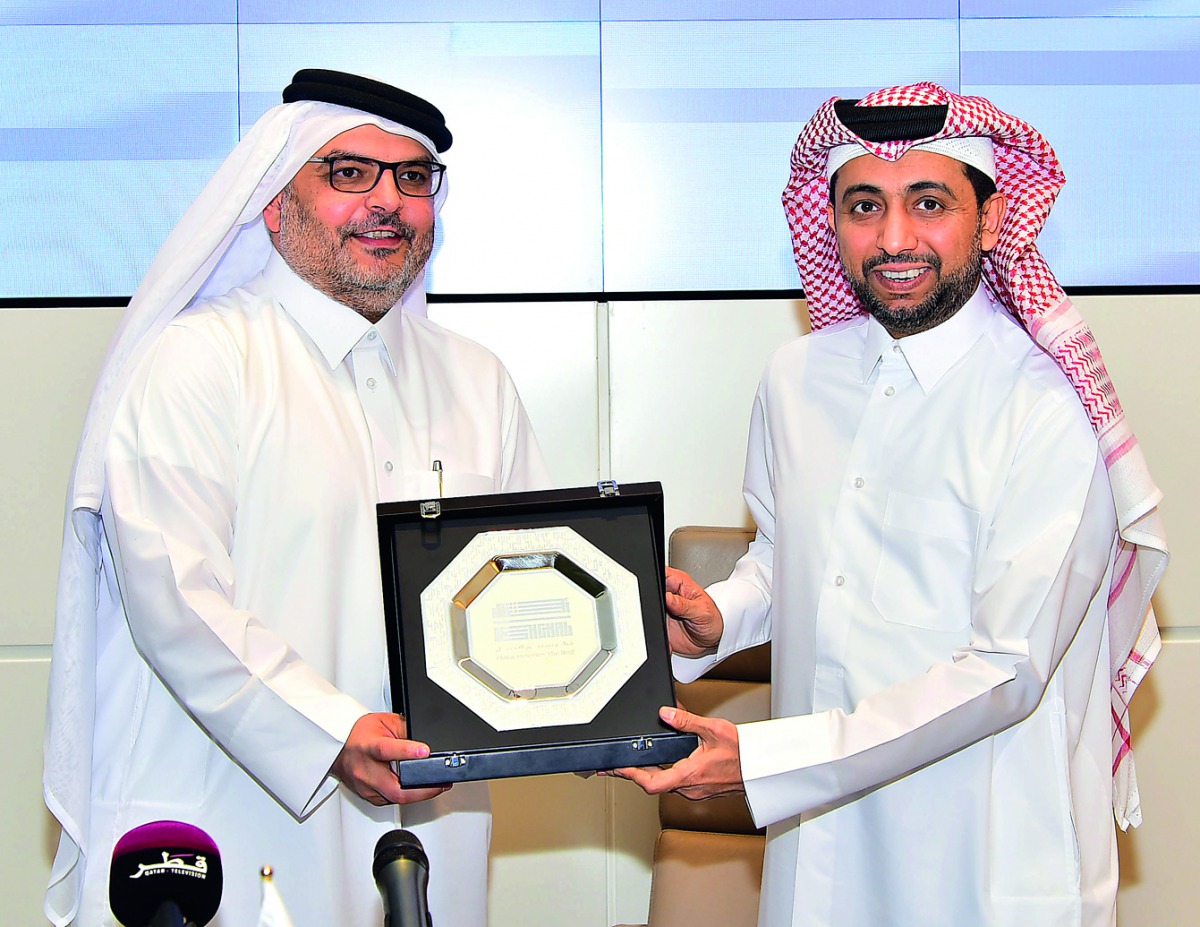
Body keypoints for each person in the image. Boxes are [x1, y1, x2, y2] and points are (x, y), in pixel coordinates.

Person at [612, 83, 1168, 926]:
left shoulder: (1045, 409)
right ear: (829, 219)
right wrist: (722, 618)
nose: (894, 238)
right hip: (818, 850)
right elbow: (786, 555)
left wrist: (769, 759)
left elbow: (1007, 669)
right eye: (865, 204)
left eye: (929, 202)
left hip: (980, 854)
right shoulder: (796, 378)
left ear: (989, 219)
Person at [43, 69, 549, 926]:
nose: (387, 201)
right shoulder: (199, 361)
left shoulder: (479, 381)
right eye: (348, 173)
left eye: (412, 178)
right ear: (275, 205)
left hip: (427, 826)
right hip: (238, 823)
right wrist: (330, 732)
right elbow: (177, 597)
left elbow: (531, 591)